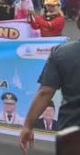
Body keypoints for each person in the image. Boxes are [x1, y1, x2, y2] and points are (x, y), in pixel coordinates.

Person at [19, 13, 80, 153]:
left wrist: (28, 126)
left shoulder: (61, 53)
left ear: (77, 24)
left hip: (71, 130)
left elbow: (45, 93)